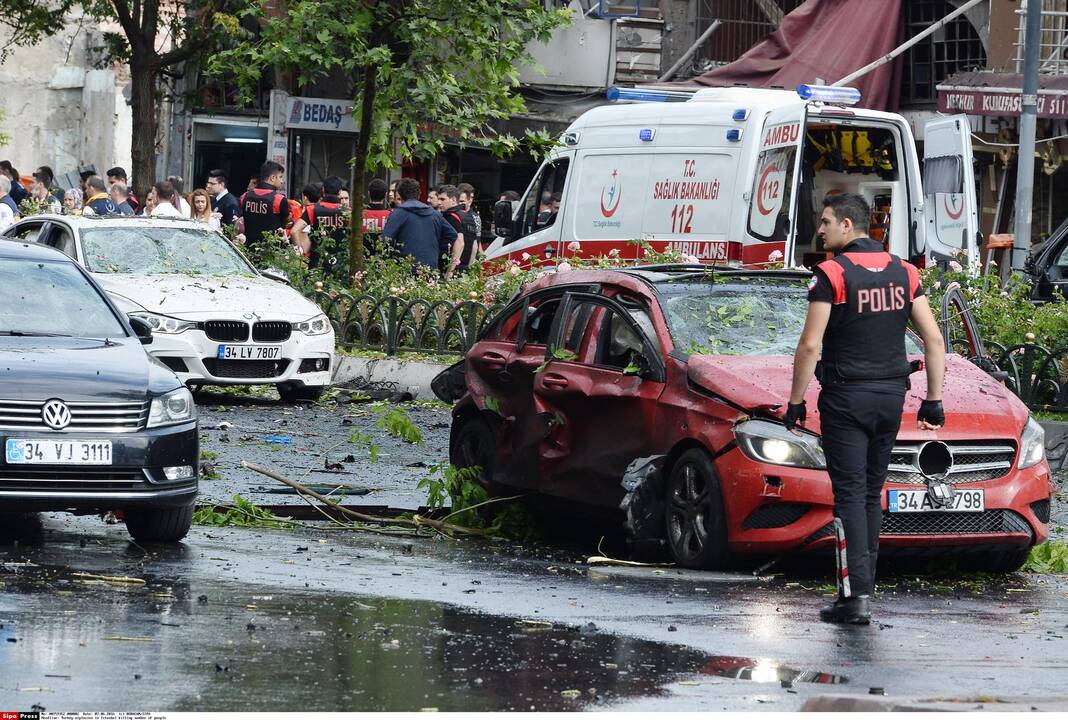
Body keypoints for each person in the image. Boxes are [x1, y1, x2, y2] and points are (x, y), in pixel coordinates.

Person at [784, 193, 945, 625]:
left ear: (848, 227)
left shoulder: (831, 274)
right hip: (891, 397)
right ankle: (864, 590)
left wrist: (796, 402)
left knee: (850, 496)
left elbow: (810, 344)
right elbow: (933, 338)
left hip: (846, 398)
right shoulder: (905, 272)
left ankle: (854, 598)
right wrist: (934, 399)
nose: (820, 230)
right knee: (872, 494)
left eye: (825, 222)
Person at [380, 178, 456, 274]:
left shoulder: (398, 213)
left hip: (406, 269)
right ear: (419, 194)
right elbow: (452, 235)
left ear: (399, 194)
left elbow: (385, 240)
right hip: (431, 268)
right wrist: (434, 247)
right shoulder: (434, 214)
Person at [293, 175, 346, 269]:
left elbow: (294, 231)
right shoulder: (348, 212)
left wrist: (300, 255)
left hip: (317, 262)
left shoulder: (312, 209)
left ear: (323, 190)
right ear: (340, 192)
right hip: (341, 262)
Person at [239, 161, 290, 248]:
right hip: (271, 251)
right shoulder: (279, 199)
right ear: (272, 178)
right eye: (280, 177)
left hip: (248, 249)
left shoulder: (244, 197)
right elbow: (286, 222)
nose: (282, 181)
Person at [439, 184, 479, 276]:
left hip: (450, 270)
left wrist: (449, 272)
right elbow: (474, 247)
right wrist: (468, 268)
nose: (439, 202)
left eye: (442, 199)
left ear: (453, 200)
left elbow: (460, 243)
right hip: (464, 270)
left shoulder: (451, 216)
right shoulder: (470, 217)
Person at [362, 178, 392, 254]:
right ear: (386, 194)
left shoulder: (359, 215)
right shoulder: (391, 216)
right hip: (385, 261)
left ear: (368, 193)